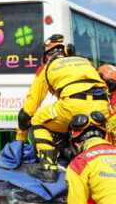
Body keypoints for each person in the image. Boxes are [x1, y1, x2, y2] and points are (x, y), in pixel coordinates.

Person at [17, 34, 109, 182]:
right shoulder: (85, 62)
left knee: (38, 122)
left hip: (72, 105)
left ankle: (48, 169)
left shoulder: (47, 68)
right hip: (102, 105)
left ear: (47, 57)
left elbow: (29, 109)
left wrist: (20, 139)